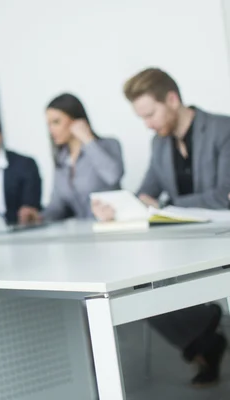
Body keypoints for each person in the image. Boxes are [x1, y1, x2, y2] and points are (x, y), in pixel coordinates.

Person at [93, 67, 229, 387]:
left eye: (151, 114)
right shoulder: (159, 144)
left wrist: (168, 206)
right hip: (184, 239)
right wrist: (119, 207)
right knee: (134, 281)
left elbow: (225, 195)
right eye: (142, 118)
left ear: (172, 99)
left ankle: (204, 336)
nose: (148, 124)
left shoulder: (222, 129)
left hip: (222, 236)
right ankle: (203, 334)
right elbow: (146, 195)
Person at [29, 93, 124, 222]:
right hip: (83, 233)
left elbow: (113, 176)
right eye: (49, 124)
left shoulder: (108, 144)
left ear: (77, 120)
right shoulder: (62, 158)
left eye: (56, 122)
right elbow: (57, 205)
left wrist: (88, 140)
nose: (51, 130)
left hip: (110, 228)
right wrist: (39, 217)